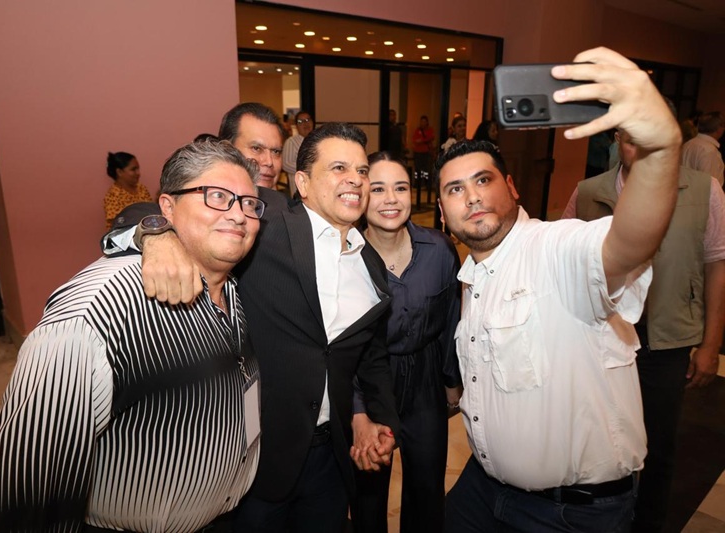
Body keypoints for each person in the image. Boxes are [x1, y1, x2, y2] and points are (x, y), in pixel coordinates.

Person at [102, 122, 399, 533]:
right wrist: (157, 234)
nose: (355, 179)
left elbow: (369, 357)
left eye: (362, 170)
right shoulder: (264, 225)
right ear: (302, 183)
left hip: (330, 458)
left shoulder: (372, 269)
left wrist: (375, 417)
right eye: (338, 168)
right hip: (255, 458)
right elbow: (145, 209)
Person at [437, 47, 682, 532]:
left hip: (569, 511)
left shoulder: (555, 248)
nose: (473, 196)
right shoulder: (471, 279)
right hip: (485, 488)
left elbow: (627, 243)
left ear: (512, 187)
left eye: (483, 180)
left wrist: (659, 151)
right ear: (443, 214)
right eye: (455, 189)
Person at [0, 140, 264, 532]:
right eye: (217, 196)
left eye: (249, 204)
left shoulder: (231, 290)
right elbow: (27, 487)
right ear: (167, 208)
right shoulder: (97, 310)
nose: (238, 215)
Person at [562, 127, 725, 532]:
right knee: (595, 440)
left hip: (666, 339)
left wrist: (711, 344)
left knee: (657, 446)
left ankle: (647, 524)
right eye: (633, 138)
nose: (644, 147)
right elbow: (560, 258)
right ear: (618, 139)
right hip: (601, 338)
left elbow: (717, 267)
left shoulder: (705, 191)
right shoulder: (589, 192)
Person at [349, 151, 461, 533]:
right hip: (369, 382)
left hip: (426, 379)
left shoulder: (439, 250)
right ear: (361, 196)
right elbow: (339, 348)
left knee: (427, 491)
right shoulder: (345, 259)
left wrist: (451, 383)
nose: (391, 199)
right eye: (378, 189)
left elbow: (450, 319)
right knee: (368, 495)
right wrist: (357, 410)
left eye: (400, 188)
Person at [219, 102, 284, 191]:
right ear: (227, 150)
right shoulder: (203, 198)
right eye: (256, 148)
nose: (269, 162)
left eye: (276, 152)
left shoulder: (284, 200)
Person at [103, 151, 153, 231]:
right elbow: (118, 226)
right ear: (119, 172)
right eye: (133, 169)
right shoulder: (113, 196)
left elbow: (151, 211)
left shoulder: (141, 188)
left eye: (138, 169)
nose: (138, 173)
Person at [681, 111, 725, 186]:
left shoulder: (688, 144)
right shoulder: (709, 151)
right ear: (719, 129)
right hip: (700, 192)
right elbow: (709, 184)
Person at [282, 110, 315, 196]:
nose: (305, 123)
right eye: (301, 121)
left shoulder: (318, 141)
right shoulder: (291, 142)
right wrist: (310, 168)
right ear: (296, 126)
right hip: (299, 190)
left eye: (308, 120)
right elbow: (286, 164)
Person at [412, 115, 435, 179]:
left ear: (427, 122)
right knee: (417, 169)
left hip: (426, 152)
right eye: (421, 121)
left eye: (424, 121)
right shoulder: (417, 130)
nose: (423, 123)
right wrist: (423, 140)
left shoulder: (430, 130)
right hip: (417, 152)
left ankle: (425, 181)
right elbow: (414, 140)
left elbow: (431, 137)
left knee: (426, 169)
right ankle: (417, 181)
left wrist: (421, 140)